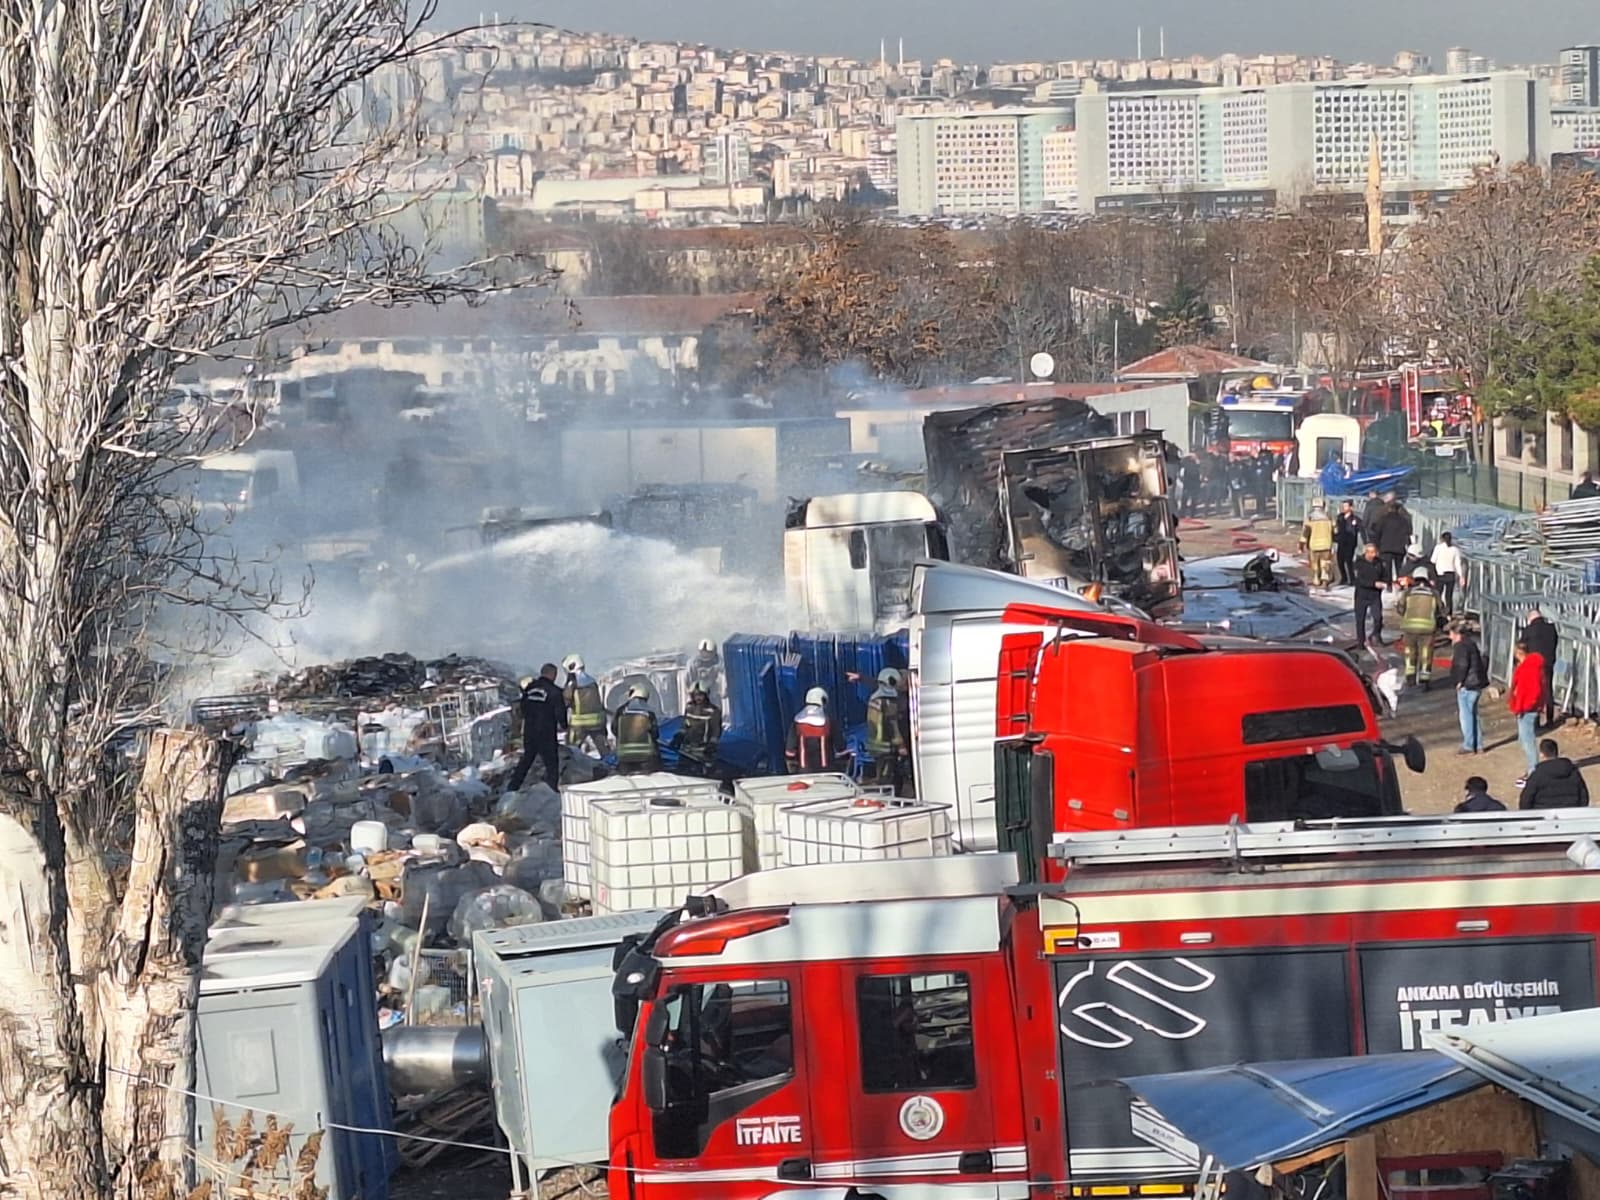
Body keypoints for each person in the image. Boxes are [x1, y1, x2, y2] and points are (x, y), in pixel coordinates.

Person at [506, 664, 567, 790]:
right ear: (553, 674)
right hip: (547, 732)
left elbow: (522, 709)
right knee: (551, 763)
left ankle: (512, 787)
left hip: (530, 731)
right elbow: (560, 712)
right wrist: (564, 725)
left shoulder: (529, 689)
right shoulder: (554, 691)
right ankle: (552, 789)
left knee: (527, 759)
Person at [864, 668, 911, 793]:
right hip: (888, 747)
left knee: (882, 776)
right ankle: (893, 803)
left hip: (875, 746)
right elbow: (893, 725)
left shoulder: (874, 699)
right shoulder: (889, 703)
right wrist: (901, 745)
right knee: (891, 778)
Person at [1509, 639, 1549, 785]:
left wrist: (1521, 707)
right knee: (1525, 739)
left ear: (1519, 652)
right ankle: (1532, 767)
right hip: (1528, 707)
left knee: (1527, 740)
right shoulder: (1532, 665)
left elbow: (1529, 691)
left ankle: (1533, 770)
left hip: (1527, 708)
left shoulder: (1528, 668)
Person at [1395, 566, 1440, 687]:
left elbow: (1400, 609)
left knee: (1410, 652)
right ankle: (1424, 680)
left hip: (1409, 629)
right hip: (1428, 629)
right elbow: (1442, 610)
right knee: (1426, 654)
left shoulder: (1408, 593)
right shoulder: (1434, 593)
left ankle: (1410, 679)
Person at [786, 686, 846, 773]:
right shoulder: (829, 721)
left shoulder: (797, 721)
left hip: (803, 771)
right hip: (828, 771)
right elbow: (841, 747)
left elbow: (789, 751)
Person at [1448, 625, 1489, 754]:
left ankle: (1469, 745)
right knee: (1474, 715)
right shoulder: (1472, 644)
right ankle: (1479, 744)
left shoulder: (1460, 647)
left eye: (1450, 634)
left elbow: (1462, 665)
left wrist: (1459, 681)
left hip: (1468, 684)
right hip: (1477, 684)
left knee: (1466, 716)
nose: (1449, 637)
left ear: (1456, 634)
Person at [1520, 739, 1591, 810]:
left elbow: (1526, 800)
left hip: (1543, 815)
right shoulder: (1573, 772)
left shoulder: (1537, 775)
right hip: (1570, 814)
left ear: (1542, 754)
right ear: (1556, 752)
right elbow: (1583, 796)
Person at [562, 654, 610, 756]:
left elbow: (565, 700)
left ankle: (569, 769)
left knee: (571, 750)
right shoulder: (592, 681)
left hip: (579, 724)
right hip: (598, 722)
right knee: (604, 750)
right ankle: (611, 765)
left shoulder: (573, 683)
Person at [612, 684, 661, 775]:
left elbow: (614, 729)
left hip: (624, 755)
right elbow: (655, 734)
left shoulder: (621, 710)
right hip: (646, 756)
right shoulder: (649, 712)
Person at [1522, 608, 1559, 729]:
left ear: (1530, 619)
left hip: (1534, 664)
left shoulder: (1528, 630)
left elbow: (1522, 646)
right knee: (1548, 689)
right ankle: (1550, 719)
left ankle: (1536, 719)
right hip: (1549, 662)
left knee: (1536, 691)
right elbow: (1555, 643)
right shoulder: (1551, 629)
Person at [675, 680, 723, 773]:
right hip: (687, 748)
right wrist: (679, 736)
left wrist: (712, 744)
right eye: (695, 695)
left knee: (703, 773)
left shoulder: (713, 710)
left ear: (706, 695)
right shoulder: (689, 707)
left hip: (703, 749)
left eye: (701, 695)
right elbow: (685, 724)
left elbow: (716, 730)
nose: (698, 698)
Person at [1352, 542, 1389, 648]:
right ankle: (1361, 641)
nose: (1373, 555)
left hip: (1375, 595)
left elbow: (1385, 576)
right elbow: (1358, 581)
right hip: (1361, 595)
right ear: (1366, 552)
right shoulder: (1359, 563)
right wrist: (1373, 584)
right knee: (1360, 619)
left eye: (1374, 552)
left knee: (1378, 618)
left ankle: (1376, 635)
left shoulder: (1380, 563)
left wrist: (1385, 583)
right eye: (1371, 552)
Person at [1372, 492, 1414, 583]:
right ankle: (1400, 583)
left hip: (1385, 547)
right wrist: (1408, 545)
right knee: (1399, 567)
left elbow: (1377, 532)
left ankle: (1388, 584)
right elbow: (1408, 532)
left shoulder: (1383, 519)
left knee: (1387, 568)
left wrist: (1377, 545)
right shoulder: (1403, 520)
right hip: (1399, 548)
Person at [1430, 532, 1466, 617]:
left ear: (1441, 539)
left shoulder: (1438, 548)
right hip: (1451, 574)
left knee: (1438, 593)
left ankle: (1436, 612)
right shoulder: (1455, 549)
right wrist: (1461, 576)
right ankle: (1449, 614)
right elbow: (1457, 564)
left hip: (1440, 574)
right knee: (1448, 596)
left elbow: (1433, 561)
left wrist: (1432, 575)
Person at [1300, 504, 1335, 590]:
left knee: (1315, 563)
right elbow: (1335, 530)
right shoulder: (1329, 517)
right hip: (1327, 544)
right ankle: (1325, 580)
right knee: (1325, 563)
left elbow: (1306, 532)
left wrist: (1302, 544)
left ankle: (1316, 580)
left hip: (1314, 544)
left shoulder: (1310, 518)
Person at [1334, 500, 1362, 586]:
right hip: (1341, 542)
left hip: (1350, 542)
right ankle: (1344, 577)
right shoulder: (1340, 517)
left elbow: (1360, 529)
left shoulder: (1355, 519)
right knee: (1340, 560)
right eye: (1343, 506)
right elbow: (1336, 529)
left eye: (1346, 506)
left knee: (1348, 560)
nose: (1344, 508)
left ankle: (1352, 579)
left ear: (1350, 507)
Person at [689, 638, 722, 708]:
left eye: (708, 652)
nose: (705, 654)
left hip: (714, 691)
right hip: (698, 691)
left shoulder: (719, 660)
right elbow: (689, 676)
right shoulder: (693, 662)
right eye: (703, 652)